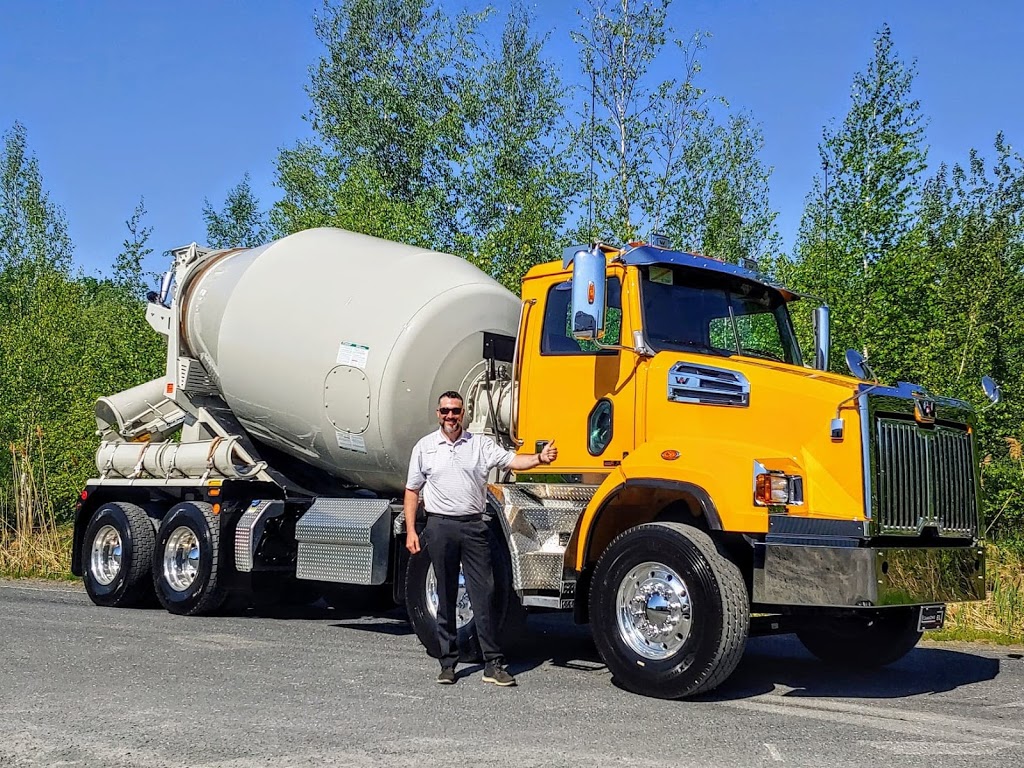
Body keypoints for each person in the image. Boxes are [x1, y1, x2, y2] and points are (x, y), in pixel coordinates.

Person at [404, 390, 558, 687]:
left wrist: (540, 457)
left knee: (484, 594)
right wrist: (412, 531)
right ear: (438, 414)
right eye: (446, 411)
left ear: (464, 414)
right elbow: (412, 491)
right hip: (440, 527)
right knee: (446, 594)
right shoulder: (425, 447)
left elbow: (513, 461)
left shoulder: (480, 445)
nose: (451, 416)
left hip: (474, 528)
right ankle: (448, 663)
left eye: (456, 411)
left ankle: (493, 664)